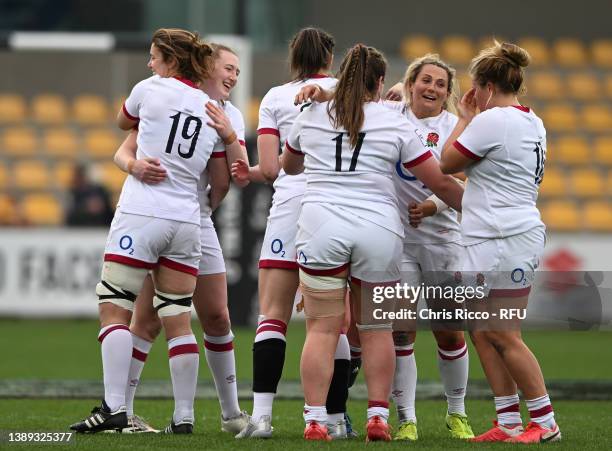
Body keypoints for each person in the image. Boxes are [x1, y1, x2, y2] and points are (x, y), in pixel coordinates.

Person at [282, 43, 464, 442]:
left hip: (320, 226)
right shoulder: (394, 122)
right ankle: (378, 417)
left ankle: (315, 419)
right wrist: (485, 212)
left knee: (322, 330)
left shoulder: (312, 112)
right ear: (381, 83)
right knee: (378, 329)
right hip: (378, 230)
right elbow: (439, 182)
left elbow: (289, 165)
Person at [69, 28, 228, 434]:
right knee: (177, 315)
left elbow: (123, 120)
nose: (149, 62)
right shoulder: (212, 108)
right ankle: (185, 417)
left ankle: (114, 407)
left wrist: (136, 161)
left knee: (114, 305)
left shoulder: (150, 88)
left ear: (170, 60)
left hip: (142, 213)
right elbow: (221, 178)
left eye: (154, 55)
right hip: (188, 219)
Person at [111, 43, 249, 434]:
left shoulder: (230, 114)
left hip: (196, 219)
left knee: (217, 315)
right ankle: (125, 410)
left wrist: (208, 203)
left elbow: (232, 177)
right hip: (162, 212)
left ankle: (230, 414)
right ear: (205, 68)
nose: (233, 77)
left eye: (237, 72)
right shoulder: (166, 94)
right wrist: (135, 166)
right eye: (228, 68)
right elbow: (124, 150)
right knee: (147, 319)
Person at [232, 27, 354, 440]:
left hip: (289, 209)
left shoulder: (273, 97)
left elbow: (270, 170)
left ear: (294, 57)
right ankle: (335, 419)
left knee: (272, 315)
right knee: (330, 323)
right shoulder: (348, 91)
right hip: (335, 210)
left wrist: (248, 171)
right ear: (329, 57)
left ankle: (262, 417)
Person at [437, 41, 561, 443]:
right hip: (493, 235)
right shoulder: (531, 121)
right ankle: (508, 420)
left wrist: (464, 117)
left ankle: (545, 421)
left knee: (503, 332)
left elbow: (446, 162)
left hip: (504, 237)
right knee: (481, 331)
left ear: (486, 87)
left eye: (475, 89)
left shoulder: (493, 120)